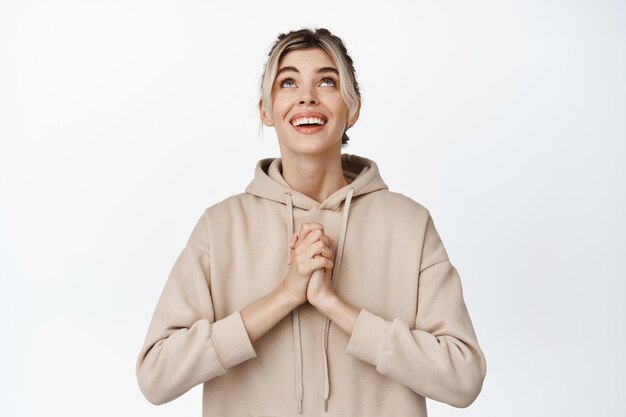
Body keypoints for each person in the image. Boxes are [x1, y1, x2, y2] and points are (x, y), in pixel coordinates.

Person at [136, 27, 487, 417]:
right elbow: (156, 376)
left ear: (353, 107)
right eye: (288, 81)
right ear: (265, 110)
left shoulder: (409, 225)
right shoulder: (221, 227)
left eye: (327, 81)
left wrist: (334, 306)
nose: (307, 96)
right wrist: (285, 295)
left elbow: (463, 378)